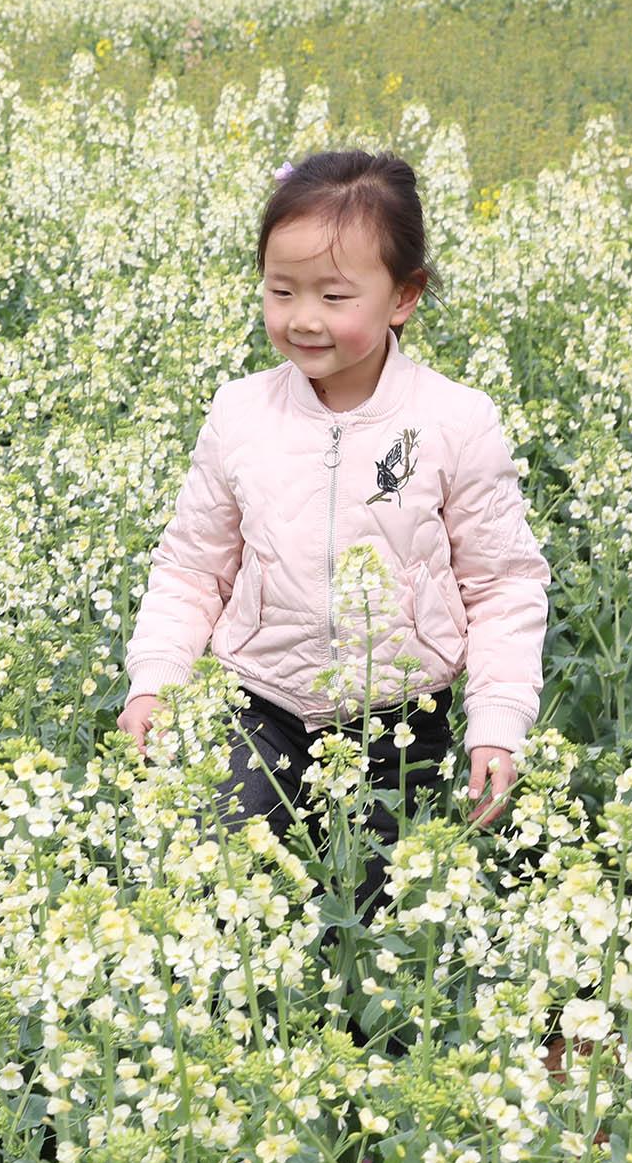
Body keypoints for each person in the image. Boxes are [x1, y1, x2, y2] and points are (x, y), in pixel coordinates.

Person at [116, 148, 550, 929]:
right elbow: (191, 569)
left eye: (334, 295)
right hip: (257, 701)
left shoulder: (455, 422)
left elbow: (505, 586)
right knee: (229, 906)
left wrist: (496, 725)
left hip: (402, 716)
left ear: (403, 297)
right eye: (281, 291)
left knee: (387, 924)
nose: (303, 317)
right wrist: (155, 678)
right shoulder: (240, 413)